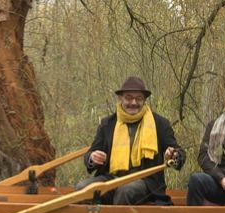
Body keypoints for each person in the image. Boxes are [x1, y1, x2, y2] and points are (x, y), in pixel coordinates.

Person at [76, 76, 185, 205]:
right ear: (120, 98)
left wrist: (173, 154)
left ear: (144, 100)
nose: (133, 102)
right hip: (112, 179)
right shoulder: (107, 124)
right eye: (128, 97)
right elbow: (91, 153)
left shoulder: (160, 124)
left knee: (125, 191)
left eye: (138, 98)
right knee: (82, 188)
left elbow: (179, 154)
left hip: (145, 182)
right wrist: (92, 158)